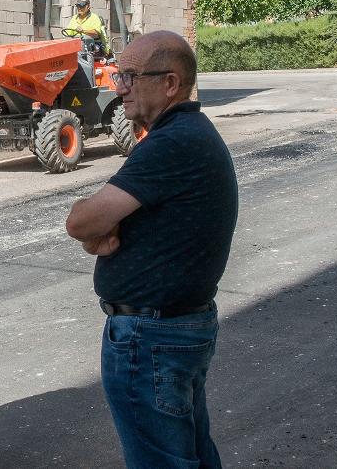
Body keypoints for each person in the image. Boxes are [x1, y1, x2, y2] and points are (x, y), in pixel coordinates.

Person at [64, 31, 238, 469]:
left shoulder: (171, 143)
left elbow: (81, 222)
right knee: (192, 454)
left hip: (152, 337)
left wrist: (98, 228)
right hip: (173, 329)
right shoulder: (184, 135)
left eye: (129, 76)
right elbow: (97, 230)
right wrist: (100, 231)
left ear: (170, 84)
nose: (117, 86)